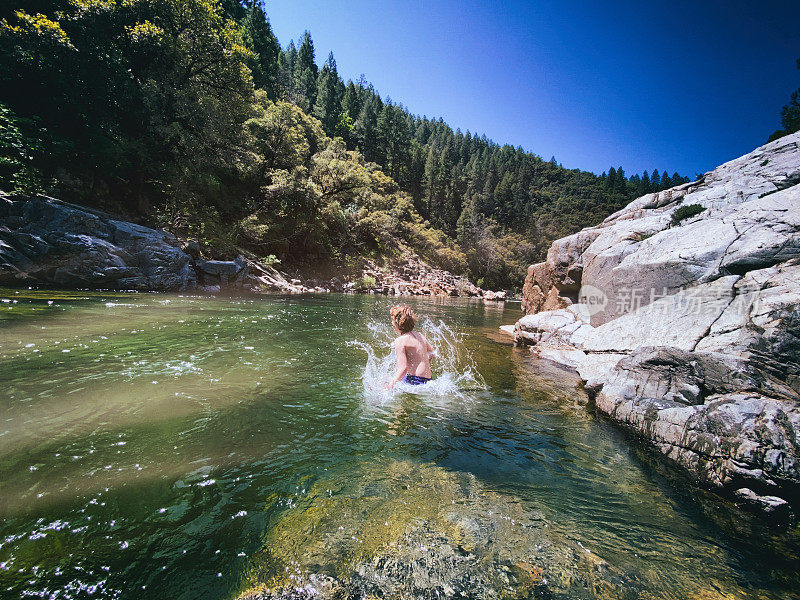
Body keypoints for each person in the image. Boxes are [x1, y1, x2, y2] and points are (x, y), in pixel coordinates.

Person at [384, 305, 435, 389]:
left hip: (415, 381)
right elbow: (432, 353)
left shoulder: (400, 341)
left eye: (393, 320)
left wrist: (390, 386)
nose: (391, 323)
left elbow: (403, 368)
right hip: (428, 380)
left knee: (385, 386)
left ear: (398, 323)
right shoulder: (419, 335)